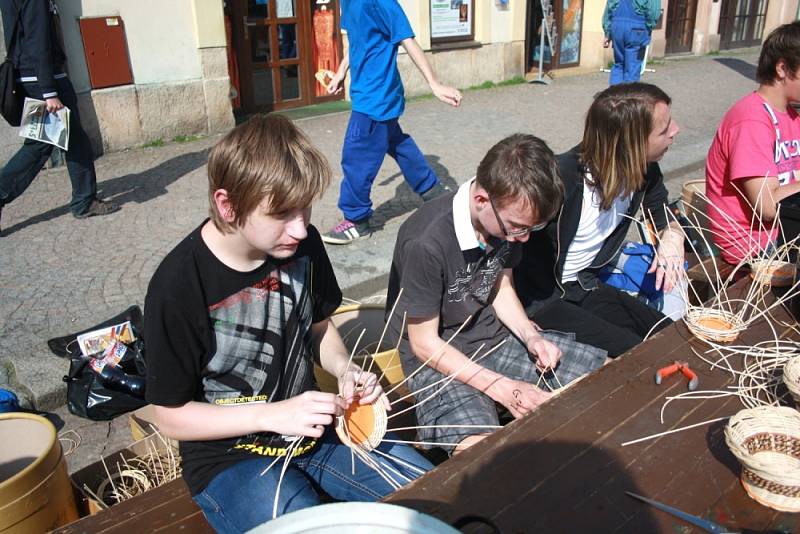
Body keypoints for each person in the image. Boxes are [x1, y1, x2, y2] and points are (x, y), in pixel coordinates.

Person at [144, 114, 431, 532]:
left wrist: (345, 368)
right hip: (230, 459)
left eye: (306, 208)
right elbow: (169, 415)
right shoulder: (178, 286)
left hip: (314, 430)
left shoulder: (303, 242)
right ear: (228, 205)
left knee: (427, 499)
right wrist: (270, 415)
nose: (300, 228)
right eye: (281, 213)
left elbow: (318, 328)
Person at [386, 134, 607, 455]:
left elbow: (500, 285)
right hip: (438, 357)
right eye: (517, 227)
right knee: (481, 455)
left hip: (492, 337)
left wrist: (531, 336)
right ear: (481, 200)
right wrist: (502, 387)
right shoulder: (426, 241)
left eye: (532, 229)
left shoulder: (505, 221)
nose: (522, 239)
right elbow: (424, 344)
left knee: (609, 377)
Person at [514, 82, 683, 358]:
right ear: (632, 143)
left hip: (585, 284)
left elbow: (663, 212)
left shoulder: (644, 169)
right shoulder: (560, 180)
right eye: (664, 129)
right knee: (636, 353)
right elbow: (506, 238)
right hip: (542, 299)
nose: (675, 130)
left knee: (666, 334)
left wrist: (672, 237)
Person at [322, 0, 462, 245]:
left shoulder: (381, 1)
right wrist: (340, 72)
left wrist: (434, 83)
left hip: (376, 98)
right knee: (397, 143)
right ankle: (432, 190)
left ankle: (356, 220)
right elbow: (356, 40)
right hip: (373, 93)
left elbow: (407, 40)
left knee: (356, 156)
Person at [0, 0, 118, 232]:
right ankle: (84, 202)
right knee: (42, 146)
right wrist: (49, 92)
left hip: (30, 77)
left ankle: (84, 200)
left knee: (70, 142)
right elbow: (38, 39)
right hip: (45, 80)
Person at [706, 21, 800, 265]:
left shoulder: (791, 115)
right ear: (782, 68)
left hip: (784, 230)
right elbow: (767, 206)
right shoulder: (751, 120)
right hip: (757, 245)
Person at [602, 0, 661, 85]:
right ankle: (628, 96)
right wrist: (648, 26)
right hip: (637, 29)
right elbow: (654, 13)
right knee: (632, 68)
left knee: (619, 64)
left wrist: (607, 33)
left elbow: (608, 9)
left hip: (617, 27)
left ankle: (614, 95)